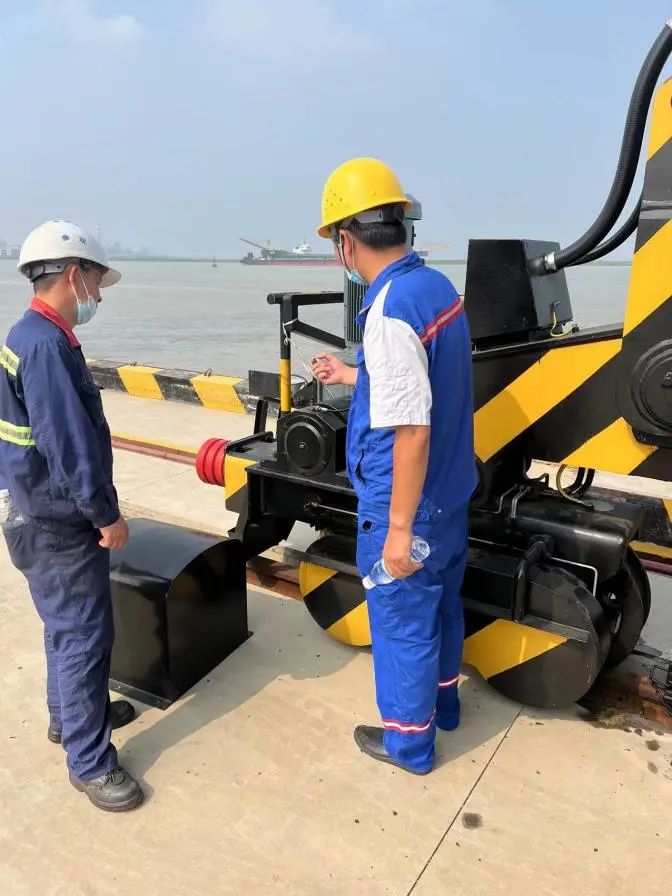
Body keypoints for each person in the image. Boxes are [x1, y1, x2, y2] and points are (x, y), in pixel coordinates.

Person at [311, 159, 476, 775]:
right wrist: (351, 374)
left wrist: (399, 529)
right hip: (450, 492)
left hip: (407, 502)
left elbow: (411, 429)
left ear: (346, 241)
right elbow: (418, 379)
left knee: (404, 621)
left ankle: (408, 743)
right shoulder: (435, 287)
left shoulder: (388, 310)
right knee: (443, 607)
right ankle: (444, 708)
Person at [0, 220, 143, 811]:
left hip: (32, 510)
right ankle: (90, 762)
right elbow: (69, 445)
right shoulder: (47, 347)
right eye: (97, 284)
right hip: (57, 521)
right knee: (84, 634)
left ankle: (71, 718)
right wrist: (105, 515)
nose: (98, 297)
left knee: (64, 626)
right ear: (75, 275)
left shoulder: (28, 334)